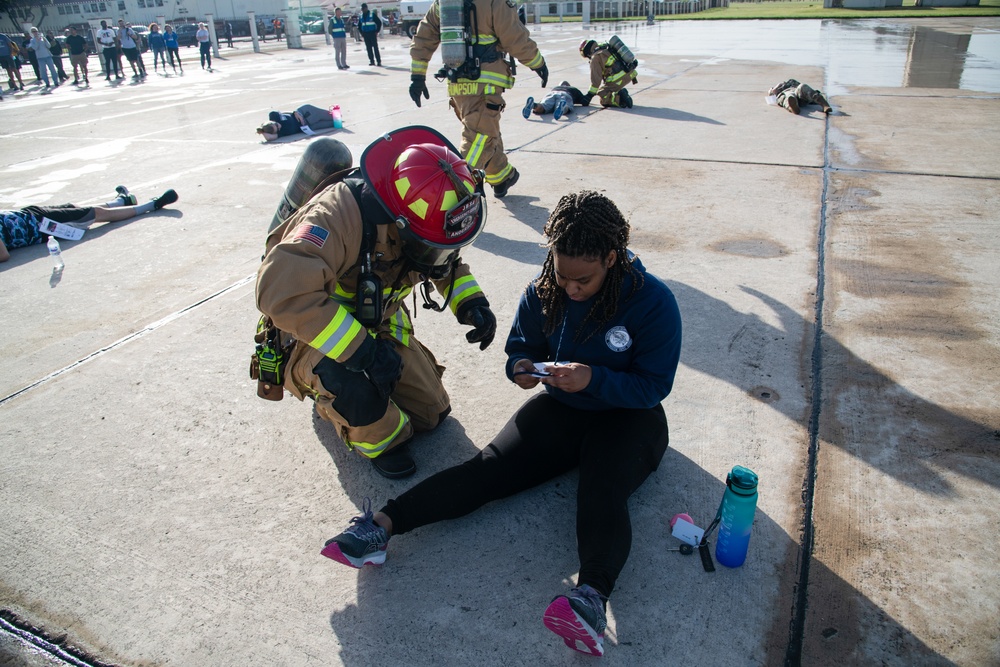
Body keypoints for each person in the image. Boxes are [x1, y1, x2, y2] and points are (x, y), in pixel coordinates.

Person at [321, 190, 682, 659]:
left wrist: (596, 377)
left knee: (601, 489)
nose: (570, 288)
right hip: (563, 409)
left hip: (631, 419)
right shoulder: (546, 288)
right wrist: (522, 368)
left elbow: (653, 385)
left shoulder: (653, 302)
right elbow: (522, 345)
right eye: (562, 274)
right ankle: (381, 527)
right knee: (487, 468)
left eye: (584, 280)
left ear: (612, 259)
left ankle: (590, 600)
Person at [255, 126, 497, 479]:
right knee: (368, 406)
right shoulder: (336, 216)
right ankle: (361, 426)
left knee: (432, 413)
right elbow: (279, 292)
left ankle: (371, 391)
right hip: (317, 335)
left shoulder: (426, 218)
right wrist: (362, 353)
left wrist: (471, 303)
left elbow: (438, 256)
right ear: (400, 221)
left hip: (378, 323)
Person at [409, 0, 547, 198]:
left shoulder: (445, 2)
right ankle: (454, 192)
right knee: (478, 140)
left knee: (484, 131)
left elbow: (423, 37)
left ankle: (501, 177)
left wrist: (417, 77)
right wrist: (538, 63)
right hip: (486, 83)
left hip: (457, 84)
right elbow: (513, 36)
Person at [0, 186, 179, 263]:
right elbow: (3, 255)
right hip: (40, 225)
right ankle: (152, 205)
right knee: (96, 215)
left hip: (30, 214)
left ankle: (122, 201)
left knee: (77, 208)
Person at [580, 39, 637, 109]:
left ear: (587, 52)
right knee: (607, 88)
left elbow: (596, 80)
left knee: (602, 95)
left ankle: (620, 98)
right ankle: (618, 92)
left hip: (619, 78)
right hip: (630, 73)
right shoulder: (605, 47)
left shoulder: (595, 58)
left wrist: (589, 96)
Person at [256, 104, 335, 141]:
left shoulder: (273, 115)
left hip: (304, 113)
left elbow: (283, 113)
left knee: (334, 116)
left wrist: (295, 112)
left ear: (272, 121)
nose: (279, 127)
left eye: (276, 125)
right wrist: (262, 131)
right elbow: (269, 138)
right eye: (277, 129)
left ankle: (334, 111)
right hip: (309, 126)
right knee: (335, 123)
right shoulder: (280, 133)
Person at [522, 80, 588, 120]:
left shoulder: (555, 88)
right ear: (568, 85)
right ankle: (563, 107)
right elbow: (584, 101)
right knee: (565, 106)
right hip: (565, 94)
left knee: (544, 105)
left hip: (551, 93)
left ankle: (534, 105)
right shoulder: (573, 89)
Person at [767, 78, 832, 115]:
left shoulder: (792, 82)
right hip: (786, 93)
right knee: (788, 96)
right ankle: (793, 107)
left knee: (803, 86)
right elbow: (770, 94)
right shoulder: (778, 89)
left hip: (797, 92)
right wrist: (774, 90)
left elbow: (801, 87)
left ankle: (824, 104)